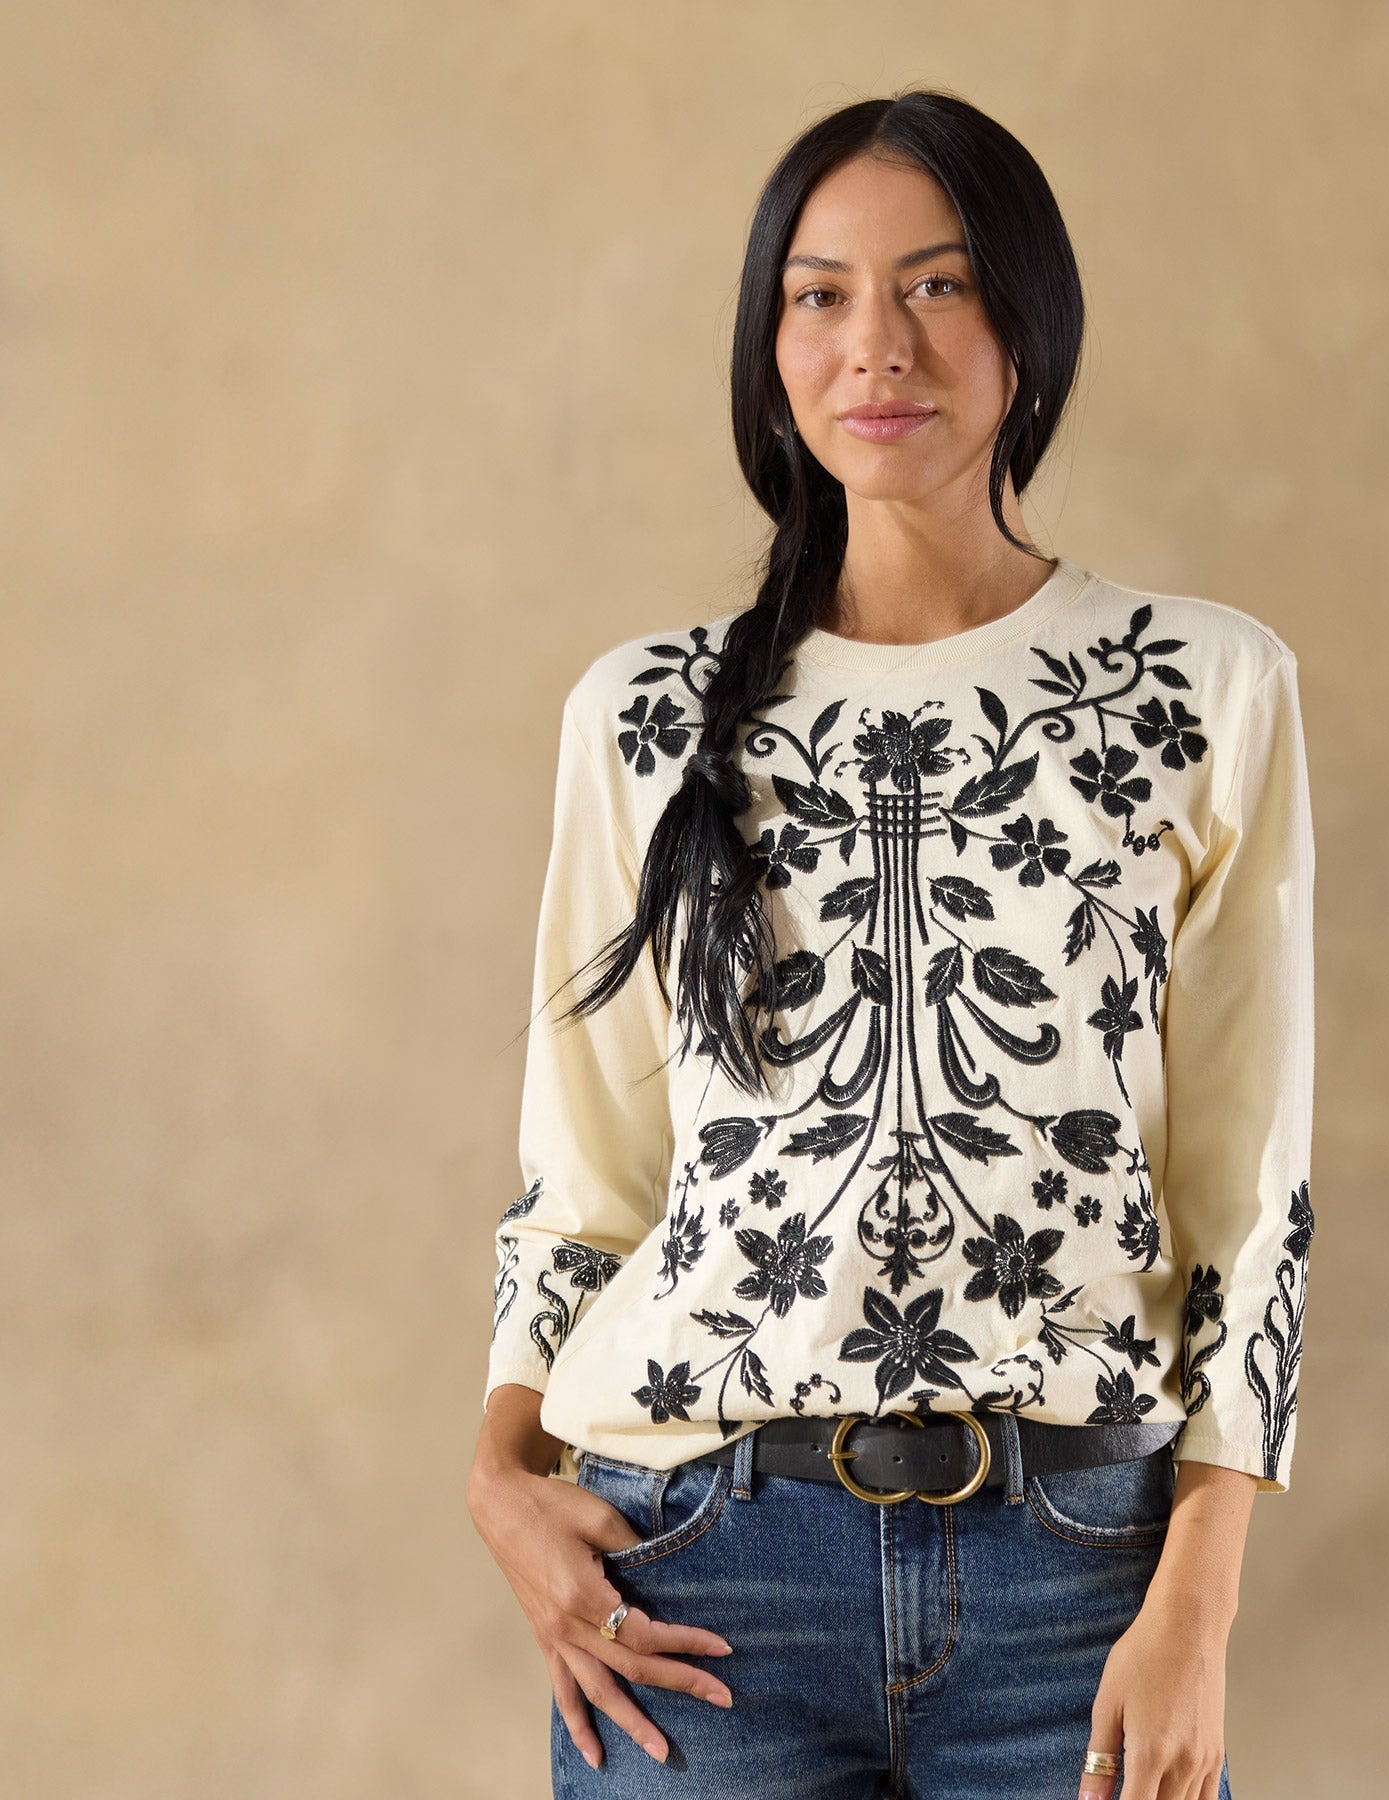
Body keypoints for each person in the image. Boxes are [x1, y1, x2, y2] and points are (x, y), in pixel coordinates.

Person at [465, 87, 1315, 1800]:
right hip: (695, 1574)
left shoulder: (1199, 688)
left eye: (938, 284)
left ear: (1028, 324)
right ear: (769, 346)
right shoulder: (646, 715)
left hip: (1080, 1580)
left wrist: (1198, 1602)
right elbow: (589, 1173)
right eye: (821, 294)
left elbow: (1250, 1191)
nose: (879, 345)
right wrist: (502, 1478)